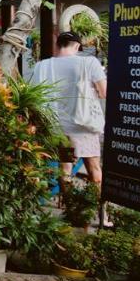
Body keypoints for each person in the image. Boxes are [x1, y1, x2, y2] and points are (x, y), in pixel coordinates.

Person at [28, 32, 107, 217]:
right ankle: (102, 215)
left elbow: (34, 96)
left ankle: (71, 210)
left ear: (58, 45)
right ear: (78, 46)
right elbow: (103, 92)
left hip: (58, 128)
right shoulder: (89, 63)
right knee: (94, 170)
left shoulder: (43, 66)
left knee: (65, 170)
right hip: (84, 128)